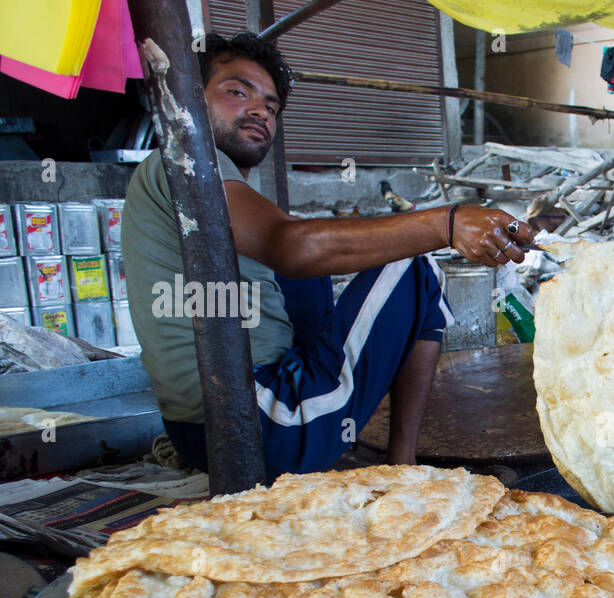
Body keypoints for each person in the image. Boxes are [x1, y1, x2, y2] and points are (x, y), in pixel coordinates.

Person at [123, 32, 535, 479]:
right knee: (414, 270)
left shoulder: (203, 183)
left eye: (272, 105)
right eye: (237, 91)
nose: (260, 110)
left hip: (196, 431)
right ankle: (403, 466)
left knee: (308, 273)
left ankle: (347, 427)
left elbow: (299, 250)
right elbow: (290, 244)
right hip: (258, 426)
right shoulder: (186, 163)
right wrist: (447, 224)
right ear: (192, 102)